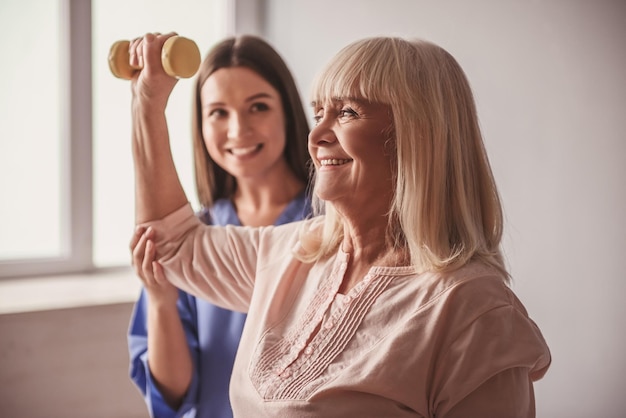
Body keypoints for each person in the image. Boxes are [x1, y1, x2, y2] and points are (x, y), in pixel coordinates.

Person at [128, 34, 551, 417]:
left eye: (347, 112)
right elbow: (168, 243)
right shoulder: (292, 252)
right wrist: (148, 102)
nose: (317, 136)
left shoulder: (475, 311)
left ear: (417, 135)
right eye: (319, 114)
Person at [126, 34, 312, 418]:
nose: (237, 129)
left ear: (288, 113)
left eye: (257, 107)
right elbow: (176, 395)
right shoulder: (198, 234)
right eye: (218, 112)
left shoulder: (329, 225)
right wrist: (161, 301)